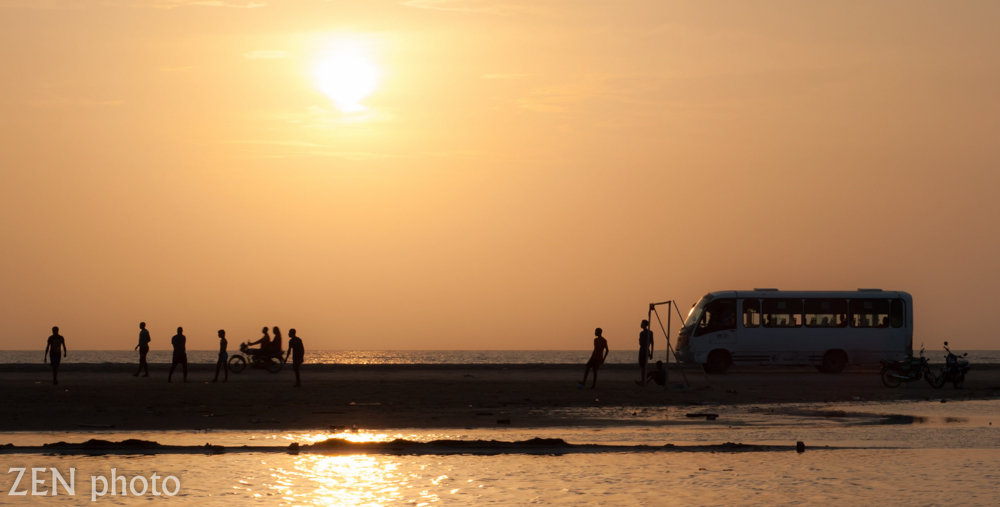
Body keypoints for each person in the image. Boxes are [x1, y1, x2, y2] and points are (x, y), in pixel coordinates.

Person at [638, 320, 654, 385]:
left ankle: (643, 381)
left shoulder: (642, 333)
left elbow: (640, 343)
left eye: (642, 324)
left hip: (642, 350)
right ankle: (643, 380)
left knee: (643, 367)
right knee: (644, 366)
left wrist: (639, 340)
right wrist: (651, 353)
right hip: (647, 350)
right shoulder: (650, 332)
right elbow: (652, 343)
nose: (640, 325)